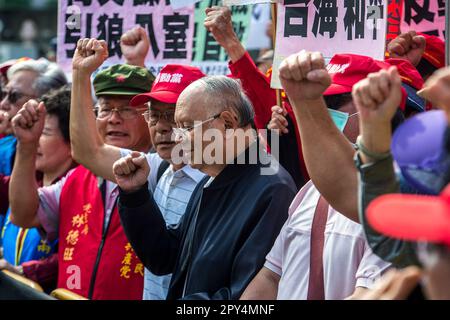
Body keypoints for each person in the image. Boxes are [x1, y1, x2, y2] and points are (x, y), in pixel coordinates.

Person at [114, 75, 297, 300]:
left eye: (187, 127)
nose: (178, 137)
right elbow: (168, 257)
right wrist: (136, 195)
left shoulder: (272, 189)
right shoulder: (210, 180)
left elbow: (244, 296)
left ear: (228, 123)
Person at [240, 51, 391, 300]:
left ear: (377, 103)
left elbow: (370, 293)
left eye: (335, 102)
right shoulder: (309, 191)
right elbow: (271, 276)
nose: (322, 111)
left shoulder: (394, 198)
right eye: (318, 101)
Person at [69, 34, 207, 300]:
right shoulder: (155, 168)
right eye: (154, 115)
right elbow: (88, 151)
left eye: (174, 115)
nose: (163, 126)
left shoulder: (222, 181)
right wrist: (80, 73)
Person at [9, 59, 154, 299]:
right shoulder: (77, 178)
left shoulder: (165, 176)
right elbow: (22, 214)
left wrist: (80, 72)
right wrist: (27, 146)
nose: (114, 119)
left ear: (151, 117)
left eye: (127, 109)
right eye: (106, 109)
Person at [1, 86, 75, 292]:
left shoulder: (79, 191)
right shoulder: (26, 183)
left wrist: (25, 272)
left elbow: (77, 256)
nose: (33, 138)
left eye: (45, 132)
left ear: (73, 143)